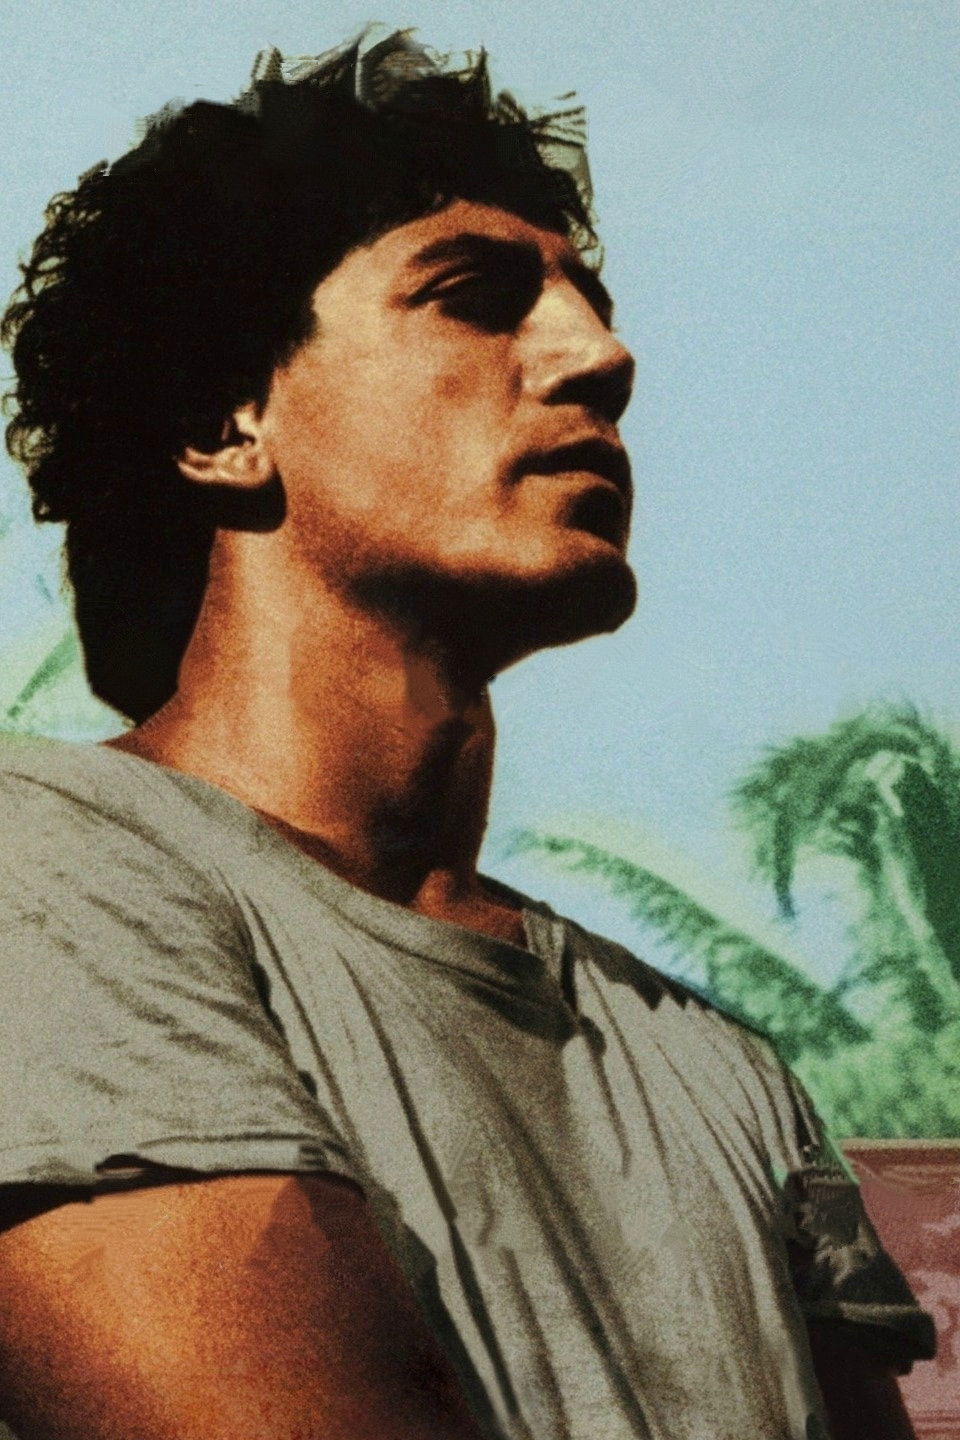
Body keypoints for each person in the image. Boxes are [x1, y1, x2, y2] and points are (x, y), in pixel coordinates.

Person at [0, 29, 934, 1440]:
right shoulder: (47, 875)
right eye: (474, 298)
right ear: (223, 421)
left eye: (587, 301)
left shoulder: (724, 1072)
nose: (601, 357)